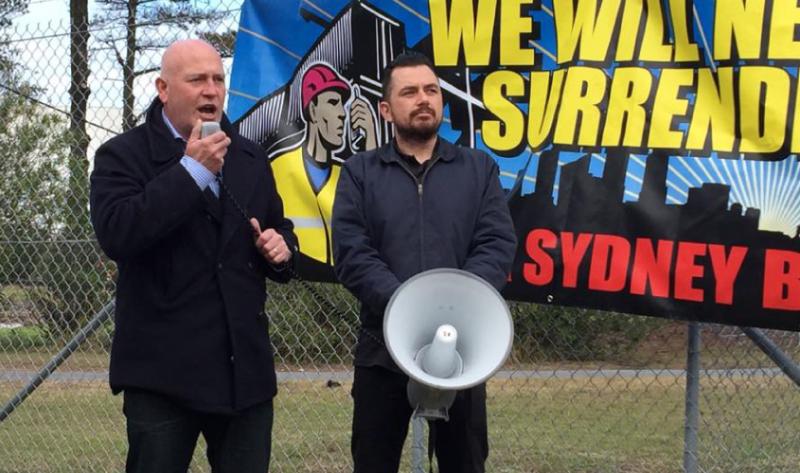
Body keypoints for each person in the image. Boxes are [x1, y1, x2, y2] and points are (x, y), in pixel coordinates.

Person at [89, 39, 297, 473]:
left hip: (244, 375)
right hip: (161, 375)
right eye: (197, 80)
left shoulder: (249, 156)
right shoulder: (122, 156)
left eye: (218, 79)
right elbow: (119, 233)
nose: (211, 90)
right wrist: (193, 171)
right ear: (163, 89)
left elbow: (277, 229)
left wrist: (281, 249)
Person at [332, 52, 516, 473]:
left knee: (464, 463)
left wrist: (453, 306)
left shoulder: (478, 169)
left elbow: (496, 242)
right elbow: (351, 251)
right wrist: (409, 309)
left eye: (431, 90)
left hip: (461, 353)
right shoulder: (360, 172)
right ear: (386, 107)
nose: (423, 99)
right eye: (409, 91)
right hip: (382, 349)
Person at [271, 63, 378, 267]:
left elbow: (378, 211)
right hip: (296, 277)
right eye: (332, 102)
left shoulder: (348, 175)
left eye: (342, 105)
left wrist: (371, 138)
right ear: (312, 110)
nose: (342, 114)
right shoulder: (277, 168)